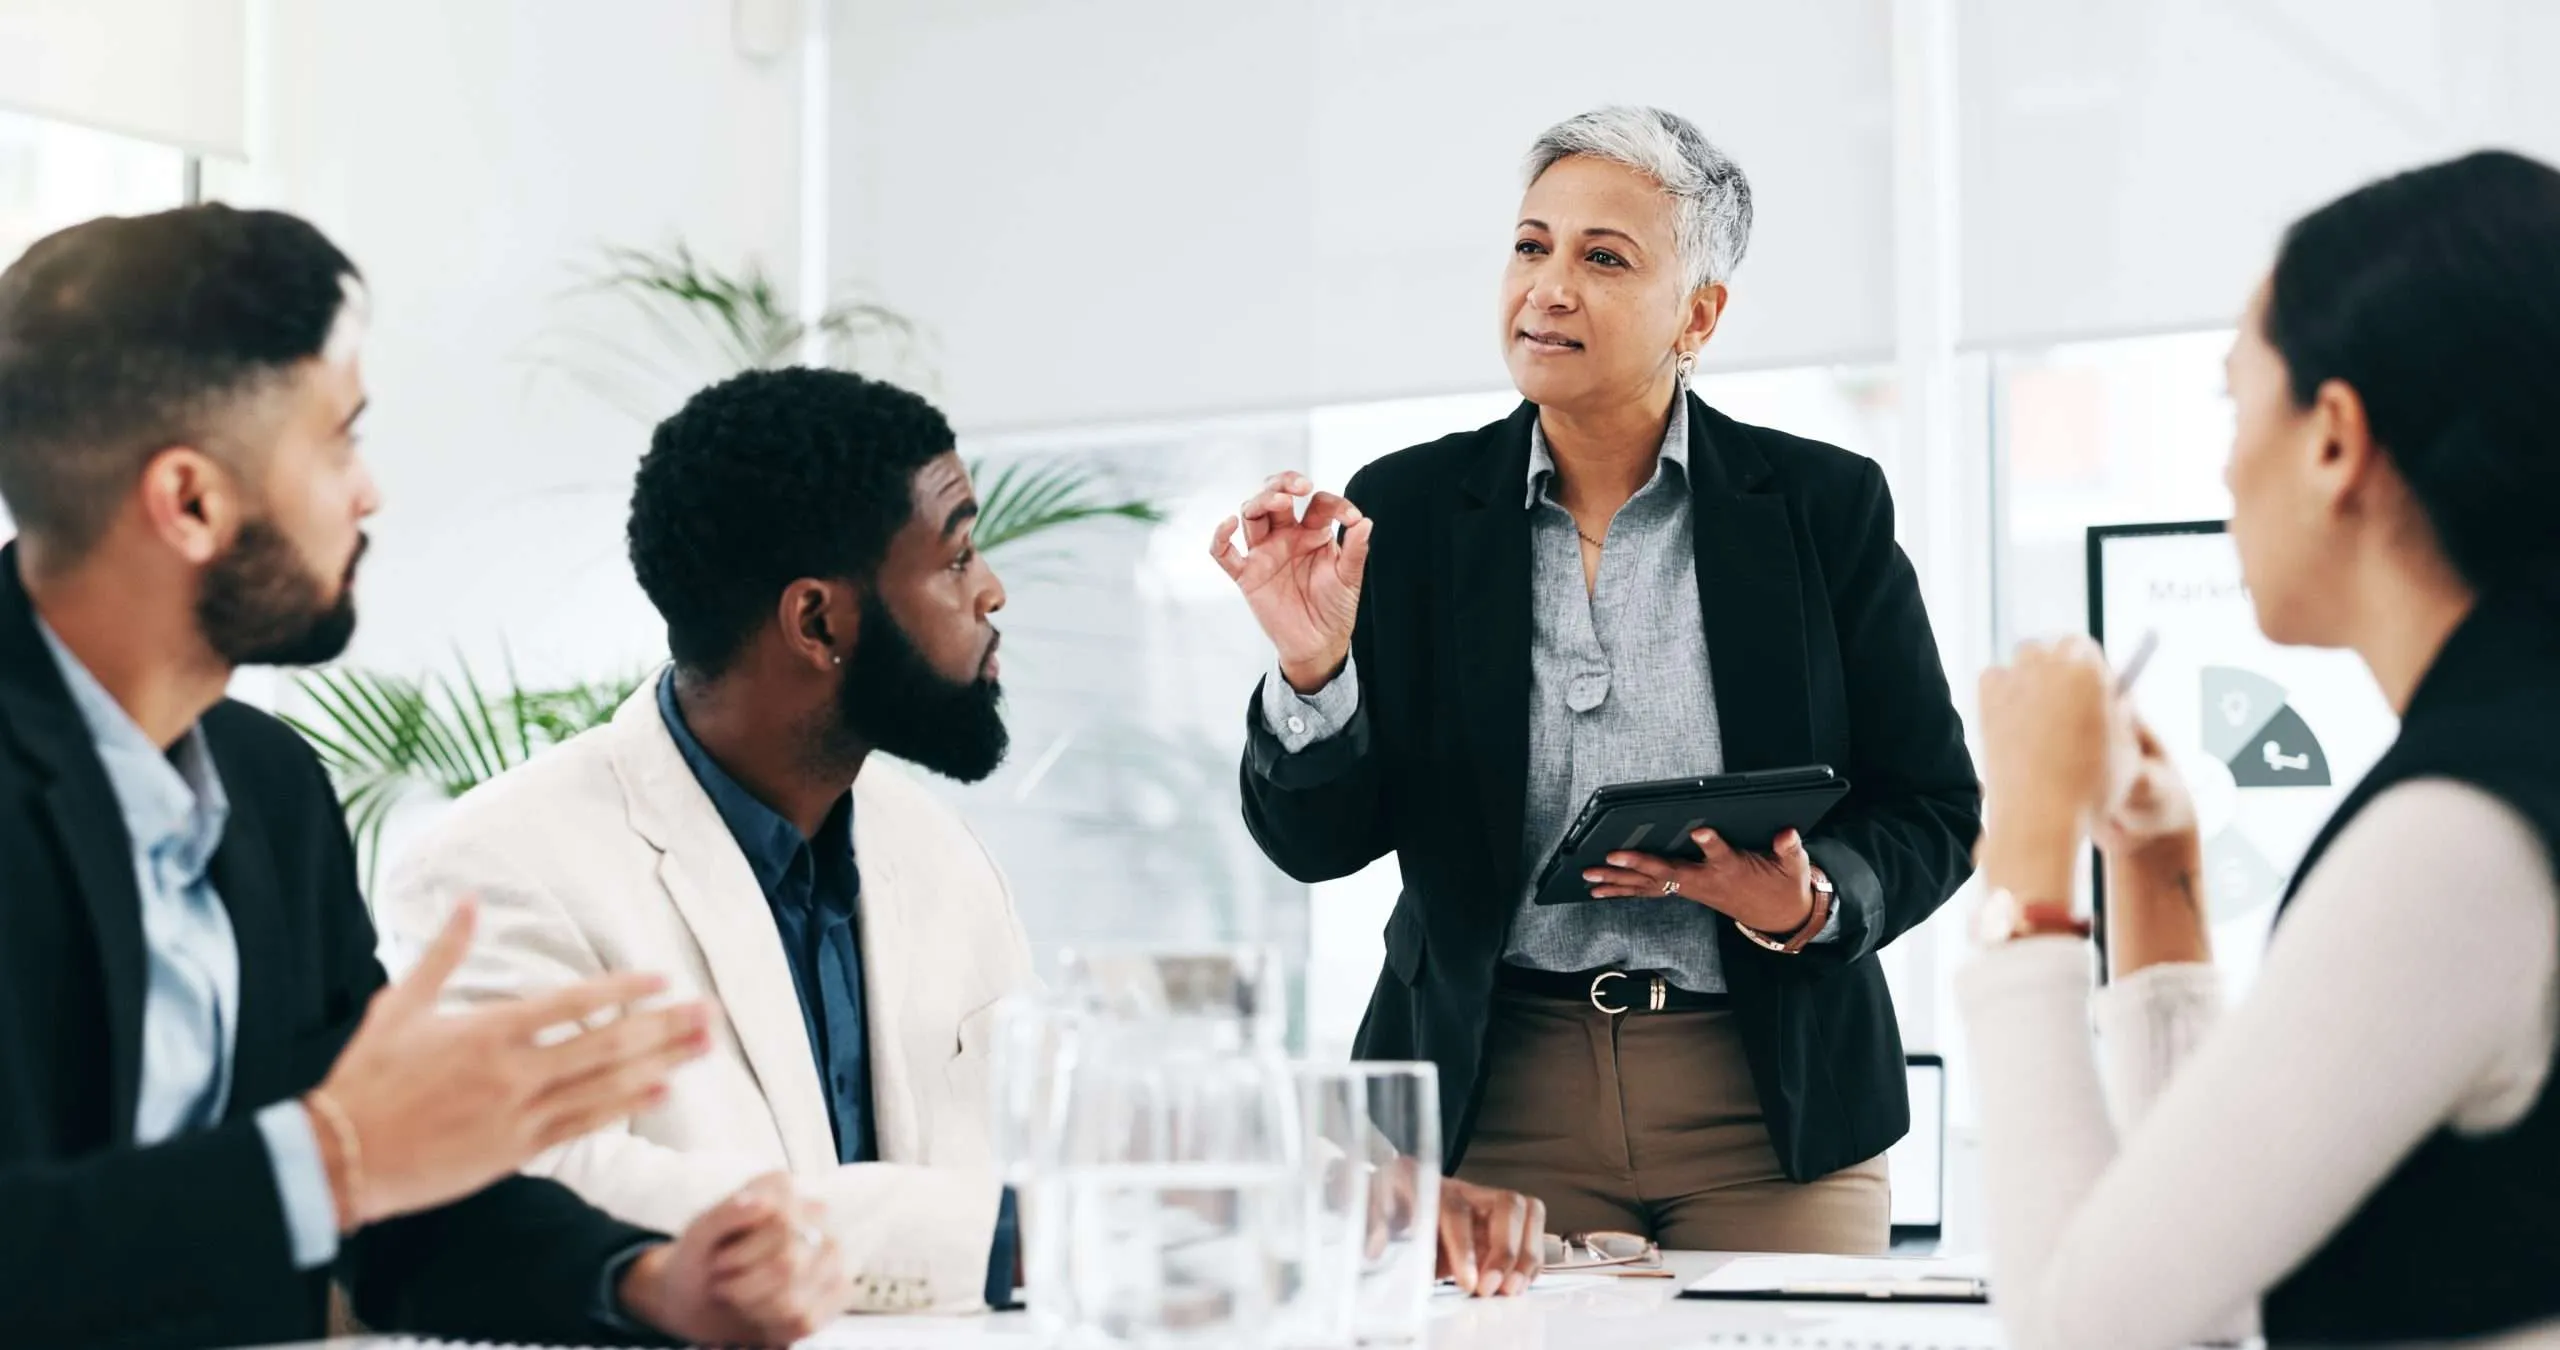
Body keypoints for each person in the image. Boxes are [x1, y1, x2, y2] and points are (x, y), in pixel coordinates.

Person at [0, 206, 850, 1348]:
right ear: (191, 502)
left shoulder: (266, 785)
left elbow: (393, 1207)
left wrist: (650, 1281)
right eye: (338, 441)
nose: (368, 493)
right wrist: (327, 1160)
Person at [1215, 105, 1979, 1269]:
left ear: (1698, 314)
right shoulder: (1409, 511)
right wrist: (1312, 668)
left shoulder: (1822, 508)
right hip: (1490, 1098)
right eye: (1531, 245)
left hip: (1770, 1102)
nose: (1549, 288)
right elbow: (1317, 846)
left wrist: (1807, 901)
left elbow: (1932, 805)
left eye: (1603, 258)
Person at [1963, 150, 2560, 1349]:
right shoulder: (2511, 758)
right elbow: (2212, 1257)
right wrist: (2154, 864)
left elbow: (2084, 1329)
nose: (2224, 467)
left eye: (2236, 408)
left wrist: (2025, 854)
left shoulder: (2455, 840)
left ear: (2333, 439)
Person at [379, 368, 1032, 1314]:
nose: (992, 591)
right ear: (817, 620)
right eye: (957, 557)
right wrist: (996, 1240)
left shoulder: (940, 851)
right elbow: (542, 1190)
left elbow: (1037, 1146)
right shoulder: (499, 868)